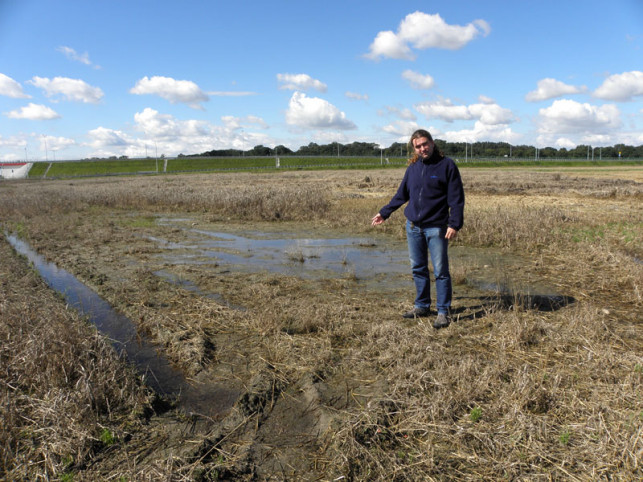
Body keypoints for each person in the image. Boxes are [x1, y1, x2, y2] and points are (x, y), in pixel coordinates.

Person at [371, 129, 465, 329]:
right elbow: (401, 194)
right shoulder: (413, 168)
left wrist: (454, 224)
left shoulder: (447, 165)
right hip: (413, 227)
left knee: (440, 271)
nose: (423, 148)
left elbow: (456, 199)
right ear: (414, 149)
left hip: (437, 228)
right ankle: (422, 305)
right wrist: (384, 213)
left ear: (432, 143)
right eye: (418, 146)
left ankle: (442, 312)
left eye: (425, 144)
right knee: (418, 268)